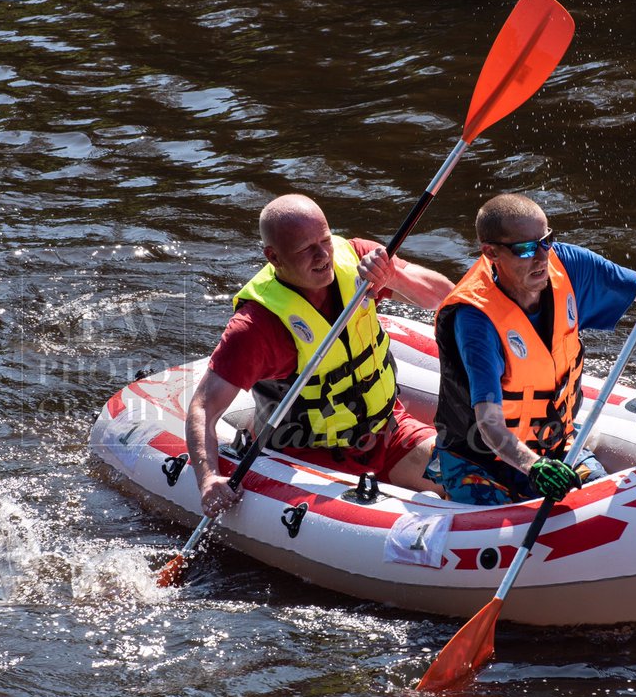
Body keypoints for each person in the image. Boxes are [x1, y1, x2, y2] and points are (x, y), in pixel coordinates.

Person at [186, 194, 455, 517]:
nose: (323, 255)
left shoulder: (358, 258)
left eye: (325, 240)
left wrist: (393, 277)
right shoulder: (256, 327)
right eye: (306, 249)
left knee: (471, 478)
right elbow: (204, 407)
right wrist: (208, 478)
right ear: (274, 256)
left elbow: (445, 296)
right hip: (309, 455)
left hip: (388, 431)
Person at [429, 193, 636, 505]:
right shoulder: (475, 318)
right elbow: (489, 424)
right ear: (491, 252)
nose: (541, 257)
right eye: (526, 249)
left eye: (546, 240)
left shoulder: (569, 265)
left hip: (557, 445)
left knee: (599, 508)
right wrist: (534, 467)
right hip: (482, 461)